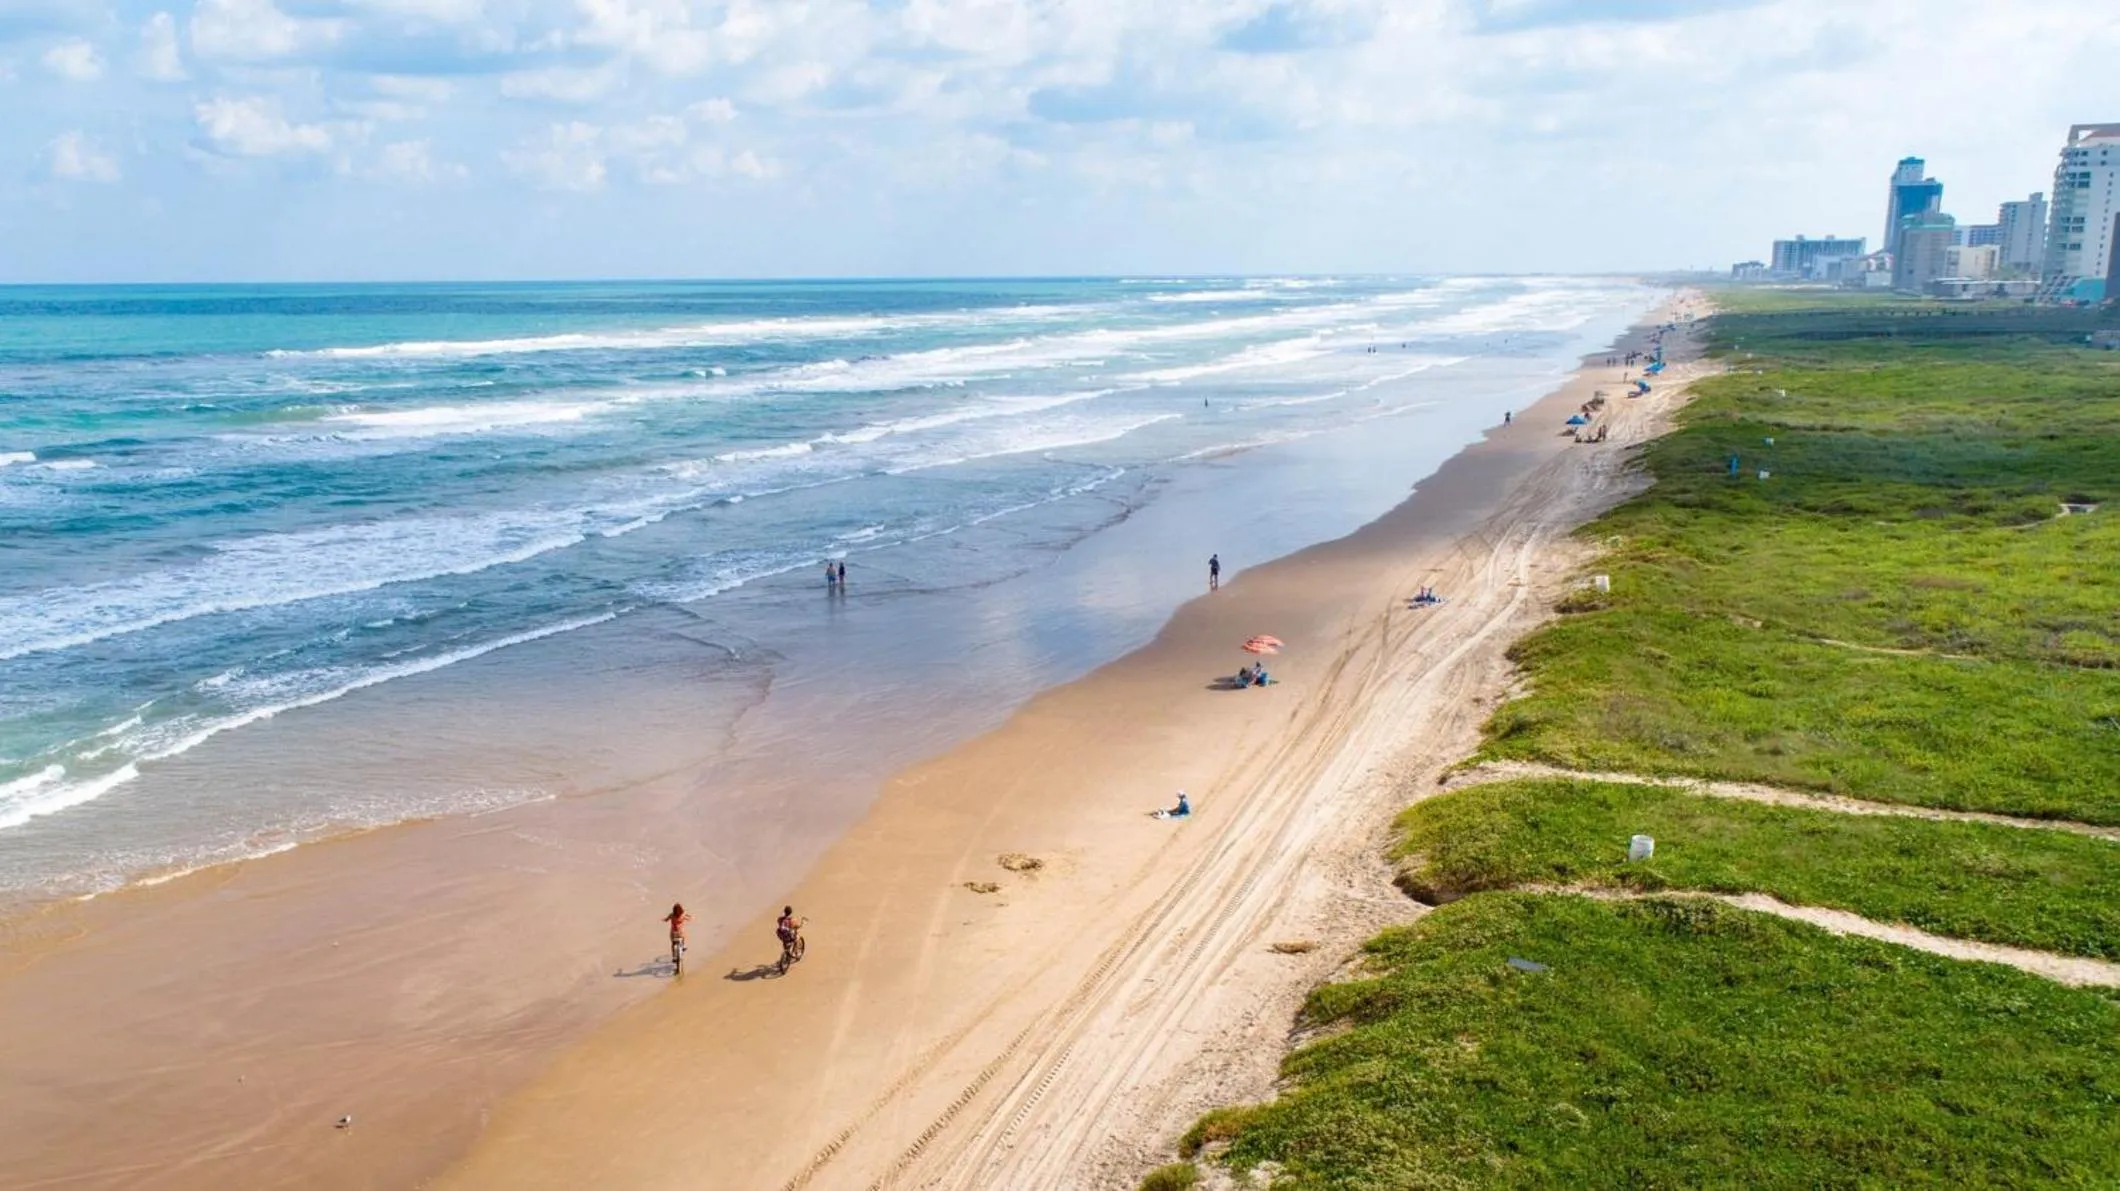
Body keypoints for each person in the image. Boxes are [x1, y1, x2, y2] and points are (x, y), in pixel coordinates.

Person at [664, 902, 692, 973]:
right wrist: (689, 917)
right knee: (683, 934)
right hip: (680, 933)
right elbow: (689, 917)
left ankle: (674, 956)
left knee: (673, 943)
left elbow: (666, 919)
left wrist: (664, 919)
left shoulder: (671, 915)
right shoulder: (682, 915)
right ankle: (684, 945)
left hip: (673, 933)